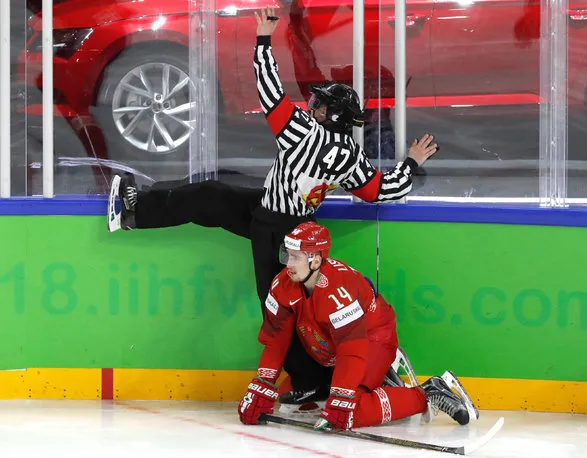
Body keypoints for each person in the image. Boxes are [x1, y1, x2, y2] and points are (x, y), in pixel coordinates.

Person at [107, 7, 439, 411]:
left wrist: (263, 39)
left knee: (281, 309)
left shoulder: (302, 133)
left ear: (329, 116)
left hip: (277, 230)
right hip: (287, 222)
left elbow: (269, 91)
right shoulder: (349, 156)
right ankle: (135, 210)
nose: (311, 107)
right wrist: (411, 163)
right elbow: (382, 190)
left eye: (318, 105)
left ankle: (310, 383)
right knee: (210, 196)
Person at [238, 221, 478, 430]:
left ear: (316, 260)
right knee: (284, 397)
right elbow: (275, 338)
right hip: (329, 348)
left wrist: (342, 396)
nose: (288, 264)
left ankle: (427, 392)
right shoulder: (283, 284)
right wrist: (262, 383)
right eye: (287, 255)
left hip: (371, 339)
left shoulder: (338, 290)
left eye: (295, 257)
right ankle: (371, 383)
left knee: (350, 412)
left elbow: (352, 349)